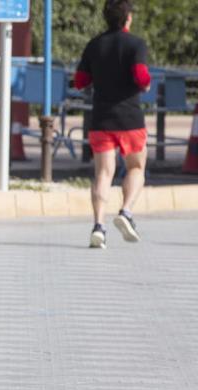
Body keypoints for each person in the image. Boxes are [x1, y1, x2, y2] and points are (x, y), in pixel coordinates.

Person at [74, 0, 151, 249]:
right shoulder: (136, 44)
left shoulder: (94, 45)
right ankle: (126, 212)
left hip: (101, 119)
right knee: (136, 168)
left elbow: (80, 81)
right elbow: (141, 75)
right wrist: (146, 84)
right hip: (130, 119)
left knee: (103, 174)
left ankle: (99, 226)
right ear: (127, 17)